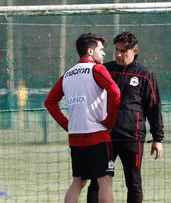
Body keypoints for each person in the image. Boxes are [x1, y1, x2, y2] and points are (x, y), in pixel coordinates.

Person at [87, 31, 164, 203]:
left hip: (132, 138)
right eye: (116, 50)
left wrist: (158, 138)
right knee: (97, 182)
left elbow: (154, 107)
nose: (119, 54)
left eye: (124, 51)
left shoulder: (145, 75)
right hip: (105, 136)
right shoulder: (104, 70)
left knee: (134, 183)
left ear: (134, 50)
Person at [44, 33, 121, 203]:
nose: (104, 54)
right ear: (90, 51)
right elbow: (115, 92)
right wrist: (110, 121)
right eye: (101, 50)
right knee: (105, 181)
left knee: (78, 181)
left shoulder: (68, 74)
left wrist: (68, 125)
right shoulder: (97, 69)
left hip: (75, 137)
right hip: (98, 135)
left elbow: (50, 102)